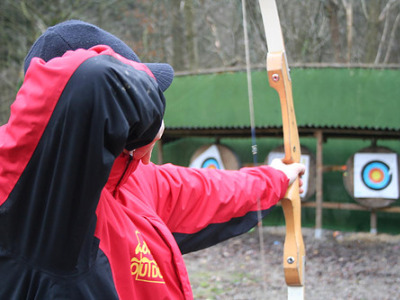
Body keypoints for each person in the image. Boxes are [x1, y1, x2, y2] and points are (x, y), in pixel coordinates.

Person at [0, 20, 305, 299]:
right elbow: (92, 79)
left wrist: (277, 178)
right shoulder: (36, 203)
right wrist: (148, 128)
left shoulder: (132, 180)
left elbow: (208, 190)